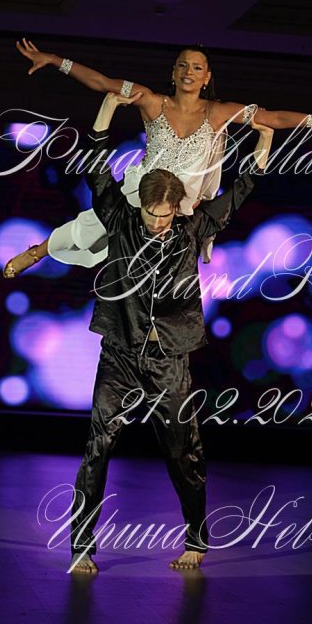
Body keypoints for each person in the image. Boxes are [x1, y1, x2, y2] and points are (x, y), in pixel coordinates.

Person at [68, 90, 274, 574]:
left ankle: (196, 541)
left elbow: (240, 192)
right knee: (98, 447)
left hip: (169, 360)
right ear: (140, 205)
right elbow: (96, 169)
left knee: (184, 453)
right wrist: (106, 111)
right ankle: (81, 546)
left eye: (165, 215)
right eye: (151, 214)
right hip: (120, 354)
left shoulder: (191, 228)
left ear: (176, 209)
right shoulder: (119, 219)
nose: (158, 223)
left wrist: (263, 144)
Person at [3, 40, 312, 277]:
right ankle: (37, 253)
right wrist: (54, 60)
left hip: (184, 205)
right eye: (183, 66)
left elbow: (273, 118)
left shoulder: (219, 112)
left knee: (162, 268)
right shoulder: (150, 101)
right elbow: (101, 82)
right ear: (173, 72)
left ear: (207, 77)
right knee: (90, 226)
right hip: (142, 192)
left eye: (196, 68)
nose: (189, 72)